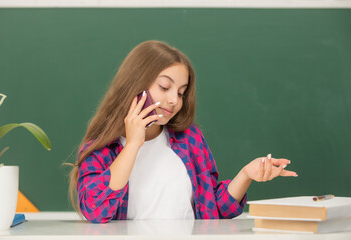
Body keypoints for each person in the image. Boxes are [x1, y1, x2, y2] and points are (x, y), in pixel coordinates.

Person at [68, 40, 298, 224]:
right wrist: (132, 145)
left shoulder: (190, 140)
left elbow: (214, 210)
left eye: (181, 92)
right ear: (134, 85)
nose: (173, 100)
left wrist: (246, 174)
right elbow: (94, 211)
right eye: (164, 87)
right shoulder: (101, 148)